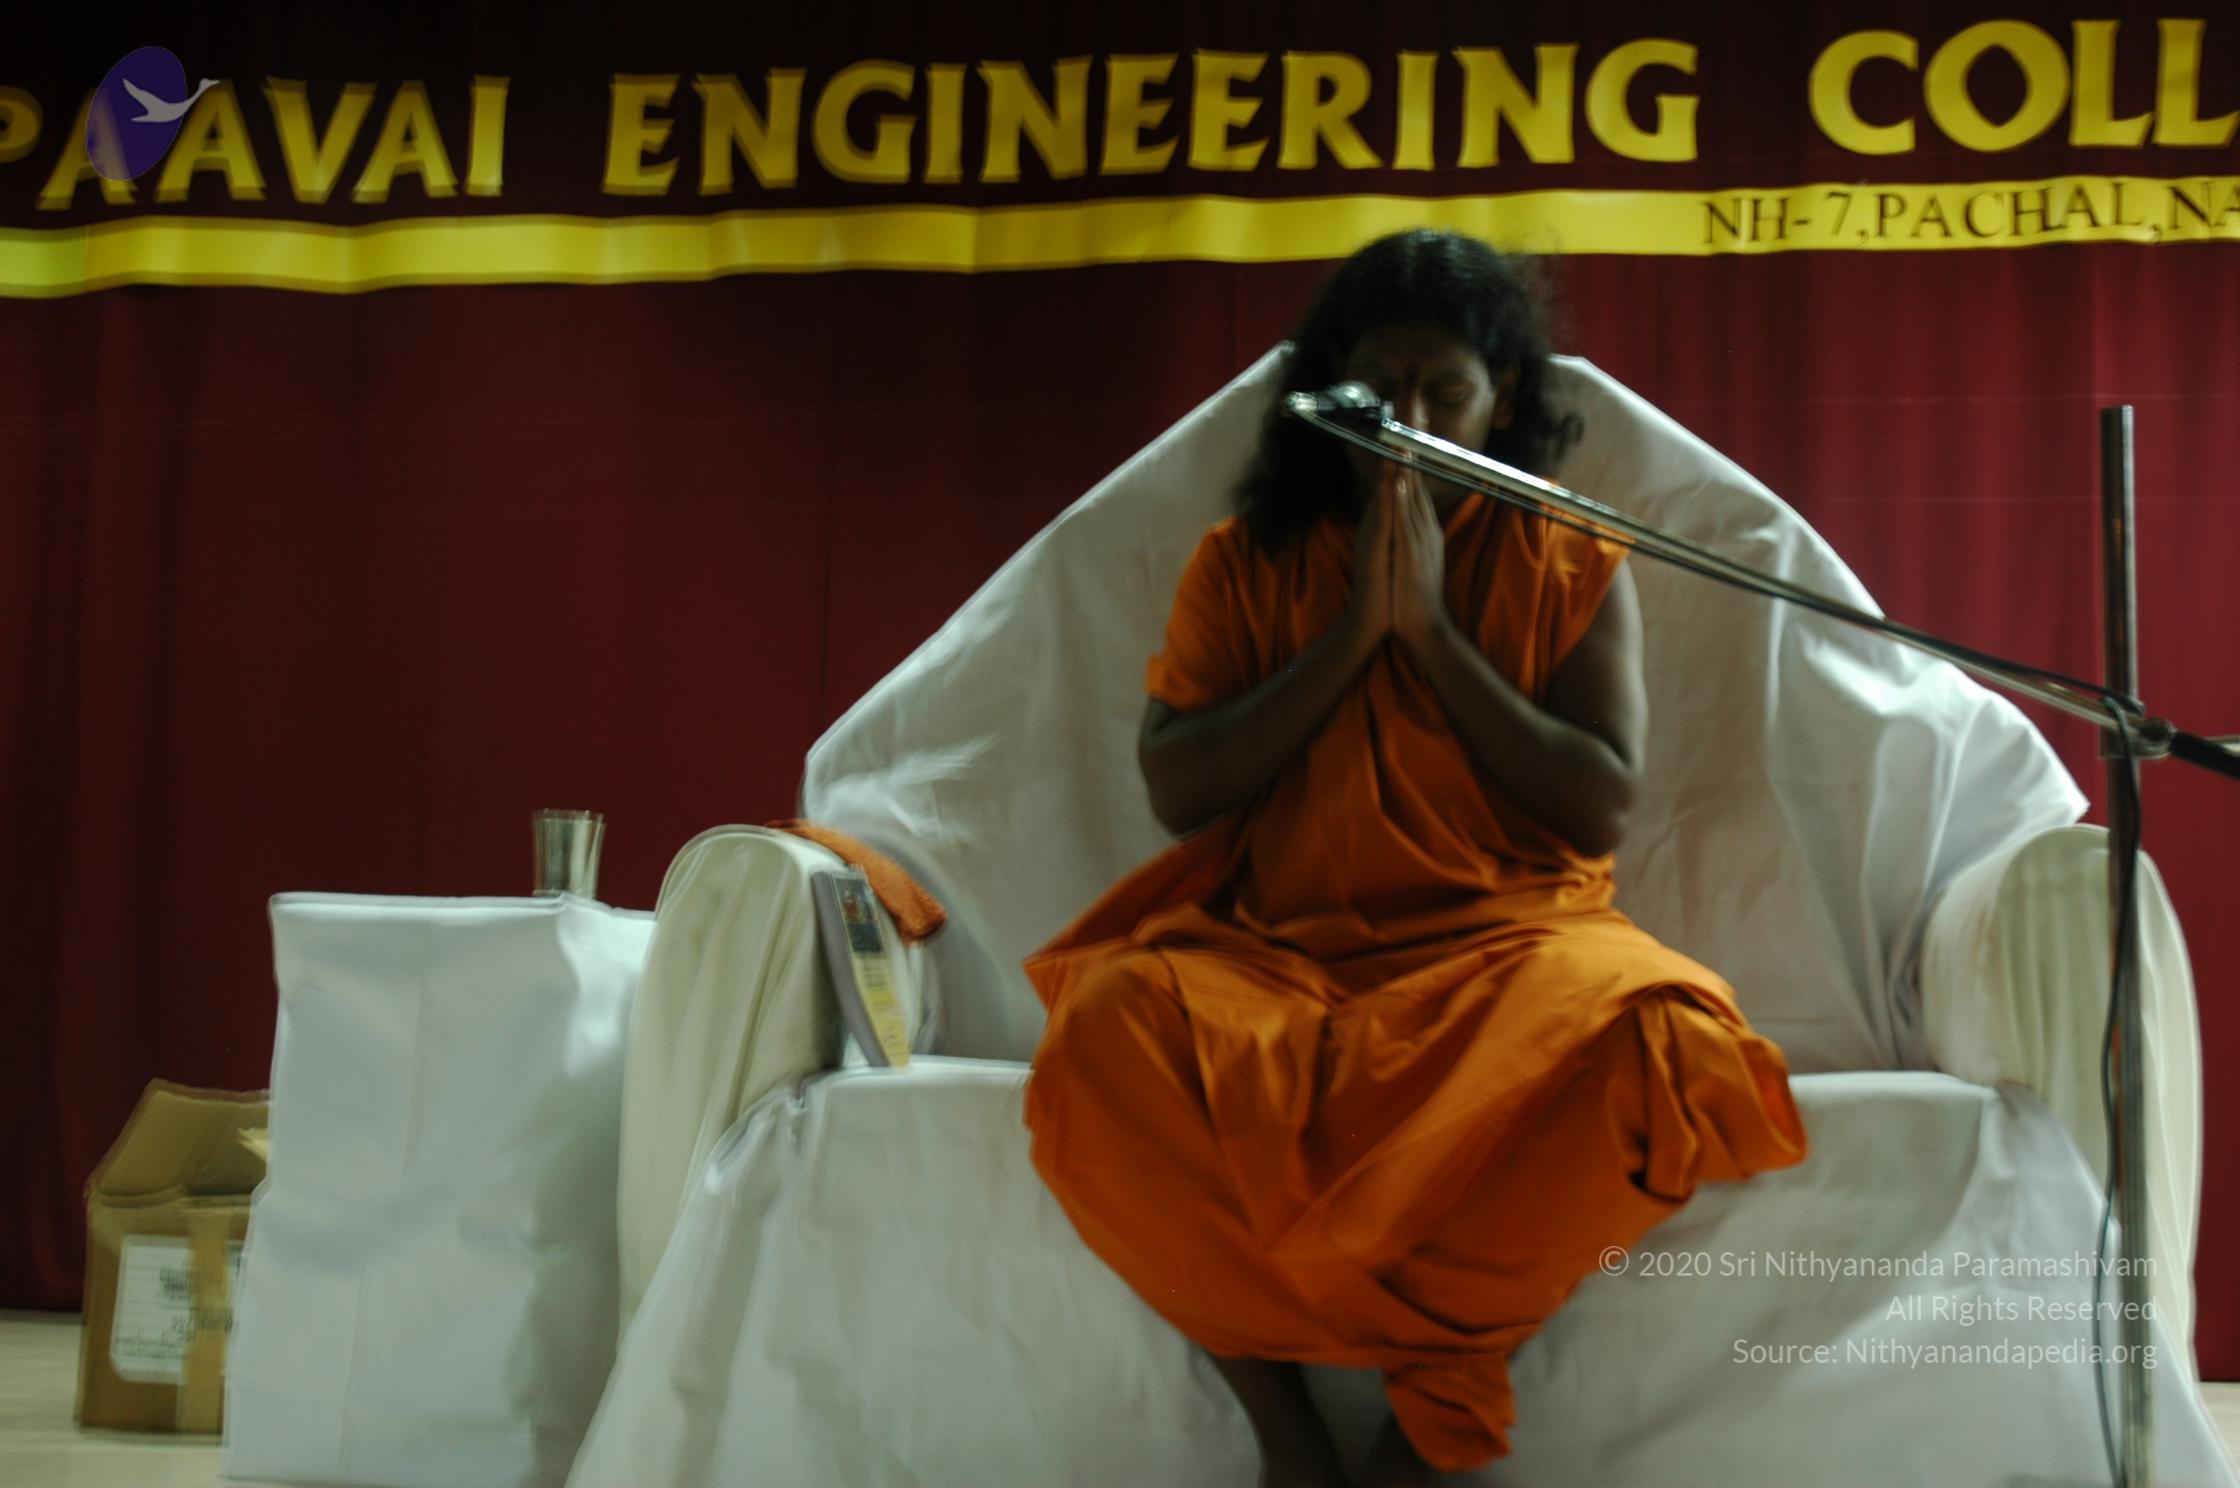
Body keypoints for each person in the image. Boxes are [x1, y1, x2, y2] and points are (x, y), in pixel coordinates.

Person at [1020, 229, 1809, 1488]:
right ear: (1322, 396)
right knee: (1104, 1035)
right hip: (1280, 955)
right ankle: (1287, 1431)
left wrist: (1431, 636)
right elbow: (1179, 789)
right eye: (1376, 390)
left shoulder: (1565, 556)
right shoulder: (1247, 559)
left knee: (1665, 1045)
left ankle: (1424, 1416)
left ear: (1503, 399)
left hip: (1509, 951)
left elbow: (1594, 807)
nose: (1407, 423)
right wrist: (1353, 636)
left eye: (1443, 392)